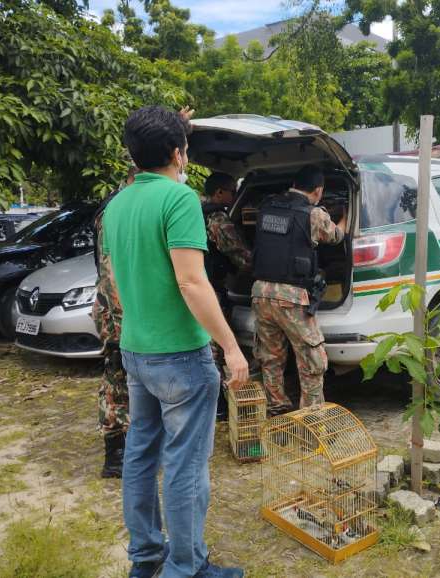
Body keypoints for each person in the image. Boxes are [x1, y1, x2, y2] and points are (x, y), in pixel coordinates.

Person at [102, 105, 248, 578]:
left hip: (136, 352)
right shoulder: (179, 199)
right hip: (181, 358)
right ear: (177, 154)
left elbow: (119, 288)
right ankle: (185, 568)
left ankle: (145, 559)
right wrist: (230, 346)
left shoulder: (117, 204)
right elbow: (192, 283)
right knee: (186, 466)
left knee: (141, 458)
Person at [251, 165, 346, 415]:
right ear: (317, 191)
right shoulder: (314, 214)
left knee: (270, 357)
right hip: (291, 296)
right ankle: (312, 419)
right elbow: (336, 237)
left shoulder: (267, 207)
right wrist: (343, 218)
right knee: (312, 360)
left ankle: (277, 408)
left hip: (260, 293)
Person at [93, 165, 137, 479]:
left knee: (123, 378)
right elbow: (110, 275)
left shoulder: (120, 205)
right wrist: (121, 324)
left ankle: (125, 447)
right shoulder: (117, 210)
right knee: (117, 377)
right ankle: (116, 454)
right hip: (116, 310)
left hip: (120, 307)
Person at [202, 172, 252, 419]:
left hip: (199, 287)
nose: (234, 196)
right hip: (210, 291)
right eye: (232, 191)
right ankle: (218, 405)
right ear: (219, 193)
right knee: (216, 349)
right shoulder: (217, 219)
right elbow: (240, 254)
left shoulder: (194, 212)